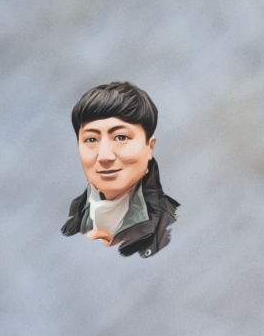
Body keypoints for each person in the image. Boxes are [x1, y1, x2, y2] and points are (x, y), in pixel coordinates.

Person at [59, 81, 178, 258]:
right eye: (91, 139)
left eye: (121, 137)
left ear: (149, 147)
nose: (104, 156)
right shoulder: (69, 226)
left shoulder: (172, 226)